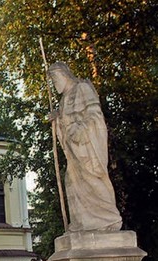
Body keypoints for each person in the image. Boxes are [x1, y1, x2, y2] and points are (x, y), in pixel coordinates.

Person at [48, 61, 122, 232]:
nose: (55, 83)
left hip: (87, 146)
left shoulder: (82, 88)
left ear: (63, 75)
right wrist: (57, 119)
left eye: (55, 79)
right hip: (74, 148)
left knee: (92, 178)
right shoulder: (64, 99)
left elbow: (95, 117)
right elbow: (66, 122)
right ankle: (83, 222)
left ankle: (108, 219)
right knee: (72, 181)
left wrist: (80, 129)